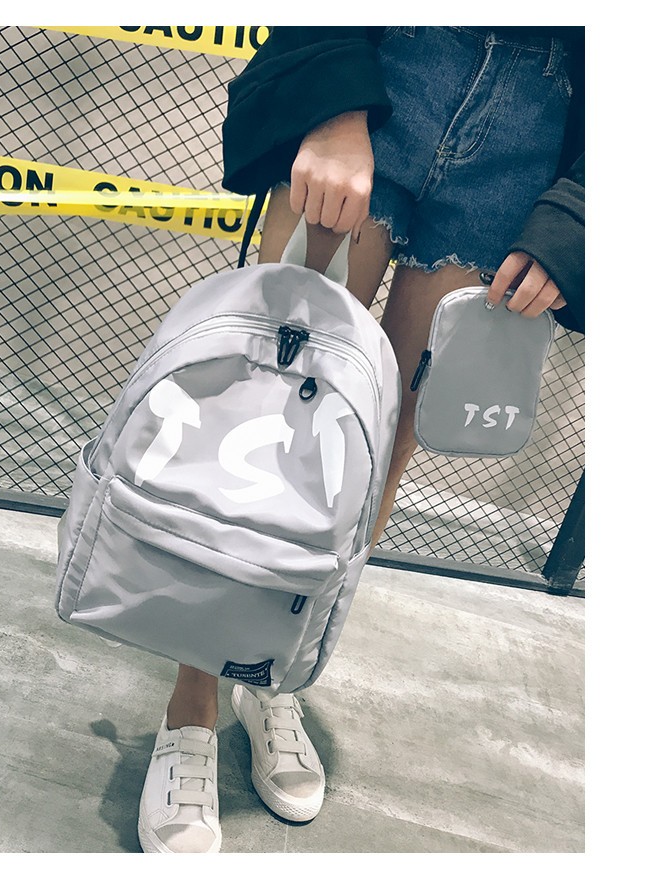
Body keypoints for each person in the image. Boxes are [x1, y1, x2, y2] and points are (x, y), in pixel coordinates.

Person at [137, 25, 585, 853]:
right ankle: (191, 703)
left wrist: (580, 213)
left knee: (382, 447)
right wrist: (334, 102)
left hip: (537, 112)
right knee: (269, 412)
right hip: (394, 62)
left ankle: (273, 670)